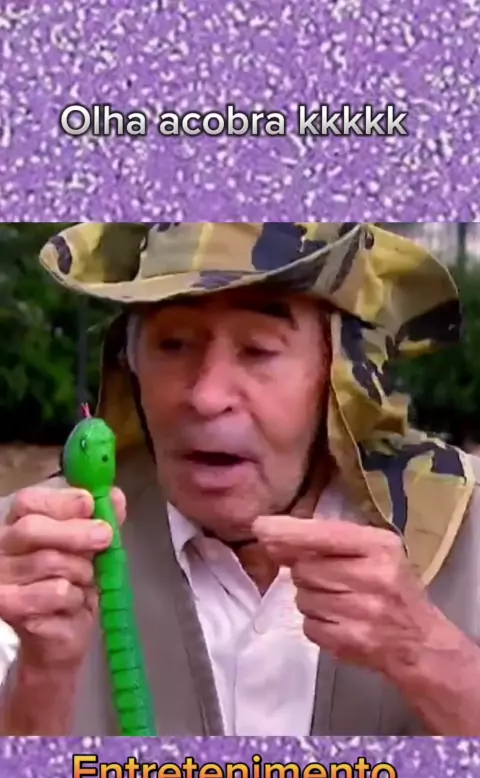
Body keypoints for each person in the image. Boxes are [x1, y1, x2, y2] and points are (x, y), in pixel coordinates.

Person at [1, 221, 480, 737]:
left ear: (341, 374)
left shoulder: (466, 532)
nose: (207, 396)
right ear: (131, 365)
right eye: (173, 344)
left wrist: (423, 651)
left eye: (257, 349)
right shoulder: (32, 552)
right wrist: (41, 675)